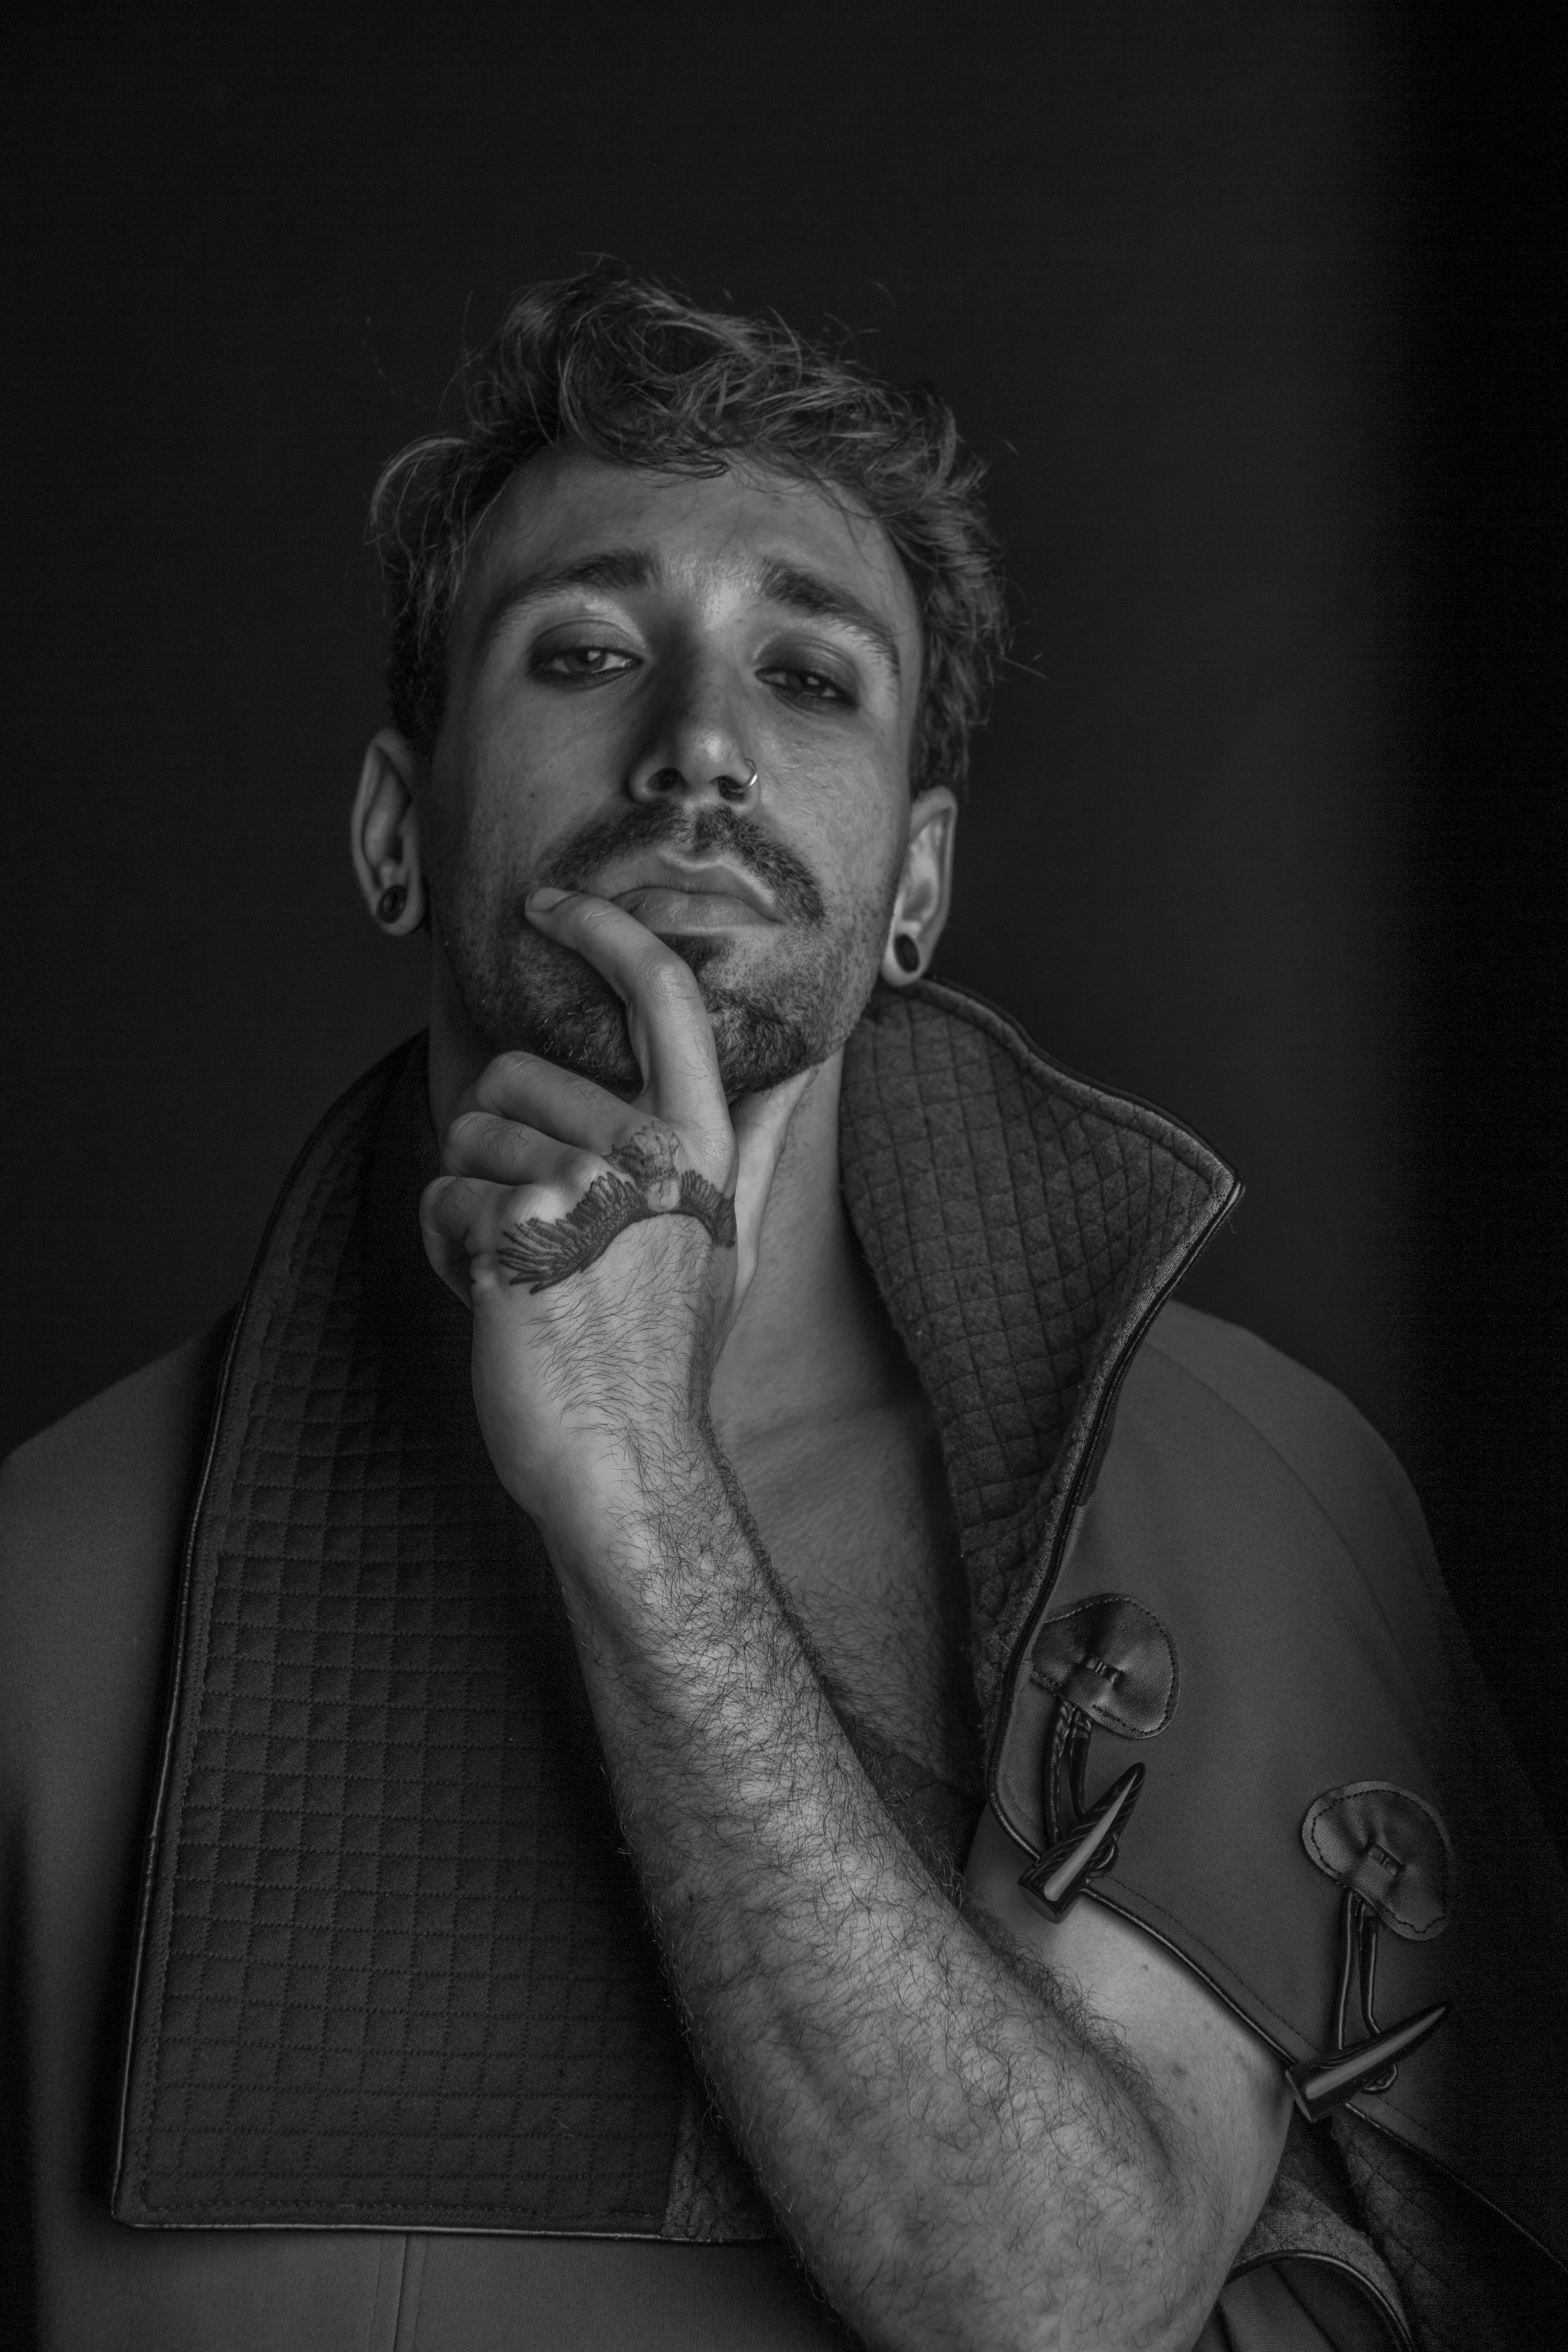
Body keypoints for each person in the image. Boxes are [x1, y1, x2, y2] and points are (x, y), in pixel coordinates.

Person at [2, 268, 1563, 2352]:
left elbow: (1061, 2306)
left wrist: (633, 1479)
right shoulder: (41, 1575)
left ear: (914, 883)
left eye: (808, 677)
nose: (701, 751)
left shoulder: (1256, 1482)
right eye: (584, 651)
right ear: (397, 828)